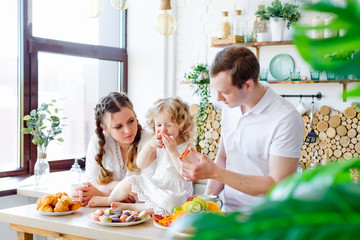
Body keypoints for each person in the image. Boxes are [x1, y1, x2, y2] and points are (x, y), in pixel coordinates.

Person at [179, 46, 304, 211]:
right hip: (228, 212)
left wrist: (214, 172)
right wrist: (207, 200)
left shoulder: (286, 118)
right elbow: (223, 157)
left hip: (268, 218)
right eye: (215, 90)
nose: (217, 98)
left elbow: (276, 184)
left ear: (248, 85)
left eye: (224, 91)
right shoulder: (230, 105)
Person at [88, 97, 195, 215]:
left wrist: (173, 151)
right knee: (130, 181)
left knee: (171, 203)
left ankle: (134, 208)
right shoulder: (158, 144)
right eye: (159, 125)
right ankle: (109, 200)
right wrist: (150, 145)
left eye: (168, 125)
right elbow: (141, 164)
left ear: (181, 124)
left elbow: (187, 174)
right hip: (157, 184)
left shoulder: (188, 147)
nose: (163, 129)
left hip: (176, 191)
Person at [73, 92, 152, 206]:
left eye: (131, 121)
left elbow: (150, 192)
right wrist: (119, 194)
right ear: (106, 129)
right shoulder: (97, 141)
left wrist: (106, 193)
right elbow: (91, 184)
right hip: (105, 214)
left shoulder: (149, 141)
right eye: (118, 127)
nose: (128, 130)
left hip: (142, 216)